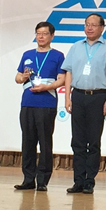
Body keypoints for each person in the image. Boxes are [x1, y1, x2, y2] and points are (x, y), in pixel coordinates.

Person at [60, 13, 106, 194]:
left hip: (98, 97)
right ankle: (78, 181)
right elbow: (68, 72)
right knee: (77, 141)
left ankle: (89, 181)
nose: (90, 28)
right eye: (87, 24)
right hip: (78, 95)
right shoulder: (76, 47)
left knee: (93, 141)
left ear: (102, 28)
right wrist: (67, 97)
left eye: (94, 25)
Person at [14, 21, 66, 191]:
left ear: (52, 36)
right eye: (38, 33)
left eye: (44, 34)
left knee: (45, 142)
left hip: (46, 103)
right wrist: (23, 77)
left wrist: (46, 87)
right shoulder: (28, 54)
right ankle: (28, 179)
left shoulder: (58, 56)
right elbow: (17, 78)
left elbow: (62, 79)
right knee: (27, 142)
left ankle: (42, 180)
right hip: (28, 103)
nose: (41, 37)